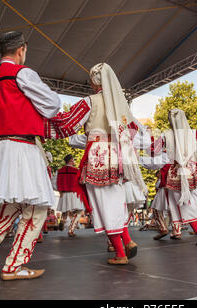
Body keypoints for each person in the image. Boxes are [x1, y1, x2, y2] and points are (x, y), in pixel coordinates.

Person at [0, 31, 62, 280]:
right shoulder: (23, 73)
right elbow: (52, 104)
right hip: (21, 145)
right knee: (37, 207)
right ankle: (14, 265)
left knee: (13, 200)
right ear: (22, 49)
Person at [46, 63, 148, 265]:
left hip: (97, 156)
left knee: (101, 205)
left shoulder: (89, 101)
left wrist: (41, 116)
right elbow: (138, 133)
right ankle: (127, 241)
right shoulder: (121, 106)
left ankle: (120, 252)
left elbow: (67, 123)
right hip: (118, 157)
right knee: (115, 200)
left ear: (94, 82)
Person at [138, 109, 197, 246]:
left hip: (176, 176)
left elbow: (153, 151)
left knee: (185, 207)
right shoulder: (192, 133)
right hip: (193, 173)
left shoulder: (166, 135)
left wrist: (144, 137)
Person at [52, 154, 91, 237]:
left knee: (65, 209)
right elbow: (82, 181)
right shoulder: (76, 171)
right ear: (70, 160)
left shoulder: (59, 171)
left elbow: (54, 182)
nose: (74, 161)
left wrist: (59, 189)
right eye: (73, 160)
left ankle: (63, 220)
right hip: (74, 193)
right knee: (79, 211)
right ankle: (71, 229)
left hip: (64, 193)